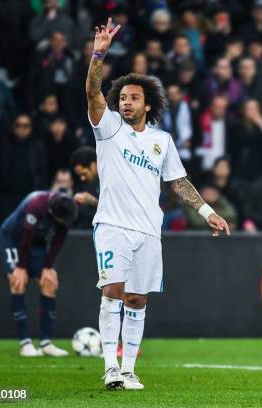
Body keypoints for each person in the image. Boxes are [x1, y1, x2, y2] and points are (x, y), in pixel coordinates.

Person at [86, 20, 230, 391]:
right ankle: (109, 368)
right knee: (112, 290)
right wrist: (99, 54)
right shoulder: (109, 128)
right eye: (122, 98)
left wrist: (207, 211)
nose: (126, 102)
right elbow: (92, 93)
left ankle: (130, 369)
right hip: (113, 224)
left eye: (133, 97)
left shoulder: (161, 141)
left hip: (150, 229)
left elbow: (178, 183)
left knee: (137, 299)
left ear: (147, 104)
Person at [0, 190, 78, 357]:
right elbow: (26, 238)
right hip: (13, 239)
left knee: (49, 283)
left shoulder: (67, 210)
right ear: (51, 213)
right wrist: (20, 267)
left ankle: (45, 343)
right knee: (18, 282)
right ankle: (25, 344)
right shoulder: (36, 205)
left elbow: (59, 240)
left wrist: (48, 267)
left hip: (37, 243)